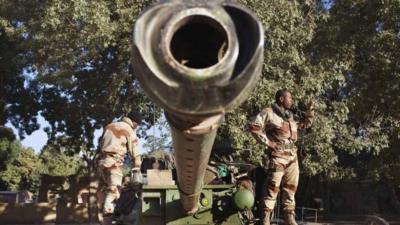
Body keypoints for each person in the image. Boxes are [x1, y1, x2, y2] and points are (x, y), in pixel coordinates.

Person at [248, 89, 315, 225]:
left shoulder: (291, 116)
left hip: (292, 158)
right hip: (278, 157)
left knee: (291, 189)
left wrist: (310, 110)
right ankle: (265, 219)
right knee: (272, 188)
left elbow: (306, 124)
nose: (291, 100)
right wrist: (269, 143)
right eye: (289, 98)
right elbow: (254, 127)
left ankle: (289, 218)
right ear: (281, 99)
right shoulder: (269, 113)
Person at [97, 111, 143, 215]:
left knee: (105, 193)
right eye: (138, 125)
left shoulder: (109, 126)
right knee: (114, 192)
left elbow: (100, 144)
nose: (137, 127)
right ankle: (108, 217)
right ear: (135, 123)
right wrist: (137, 168)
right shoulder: (128, 129)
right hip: (114, 164)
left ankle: (105, 219)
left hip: (102, 162)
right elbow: (135, 152)